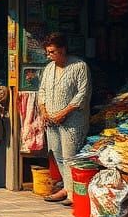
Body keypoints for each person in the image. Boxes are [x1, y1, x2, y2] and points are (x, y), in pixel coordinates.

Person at [37, 32, 92, 206]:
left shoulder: (79, 66)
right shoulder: (49, 68)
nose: (49, 55)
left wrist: (64, 113)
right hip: (52, 121)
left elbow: (82, 94)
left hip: (72, 121)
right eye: (48, 52)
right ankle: (67, 189)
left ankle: (74, 193)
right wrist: (44, 111)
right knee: (58, 155)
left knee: (71, 156)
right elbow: (43, 91)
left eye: (52, 52)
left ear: (62, 50)